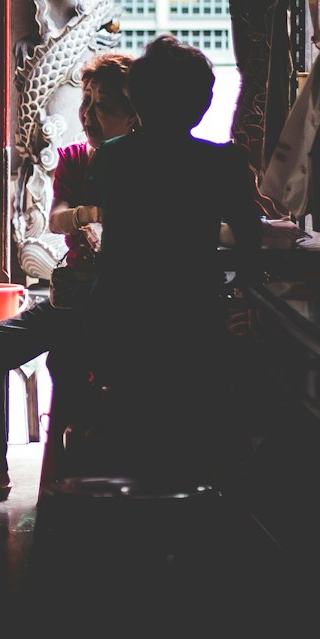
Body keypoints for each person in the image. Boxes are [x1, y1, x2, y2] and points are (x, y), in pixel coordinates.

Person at [0, 51, 137, 506]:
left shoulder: (147, 165)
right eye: (85, 102)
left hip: (128, 305)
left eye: (102, 105)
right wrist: (94, 215)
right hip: (76, 298)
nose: (87, 115)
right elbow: (58, 219)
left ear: (135, 113)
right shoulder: (77, 160)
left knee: (69, 358)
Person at [67, 34, 263, 481]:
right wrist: (239, 293)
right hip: (193, 319)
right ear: (203, 103)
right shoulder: (224, 163)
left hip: (118, 317)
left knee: (132, 419)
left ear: (137, 100)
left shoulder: (112, 158)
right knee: (197, 419)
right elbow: (249, 235)